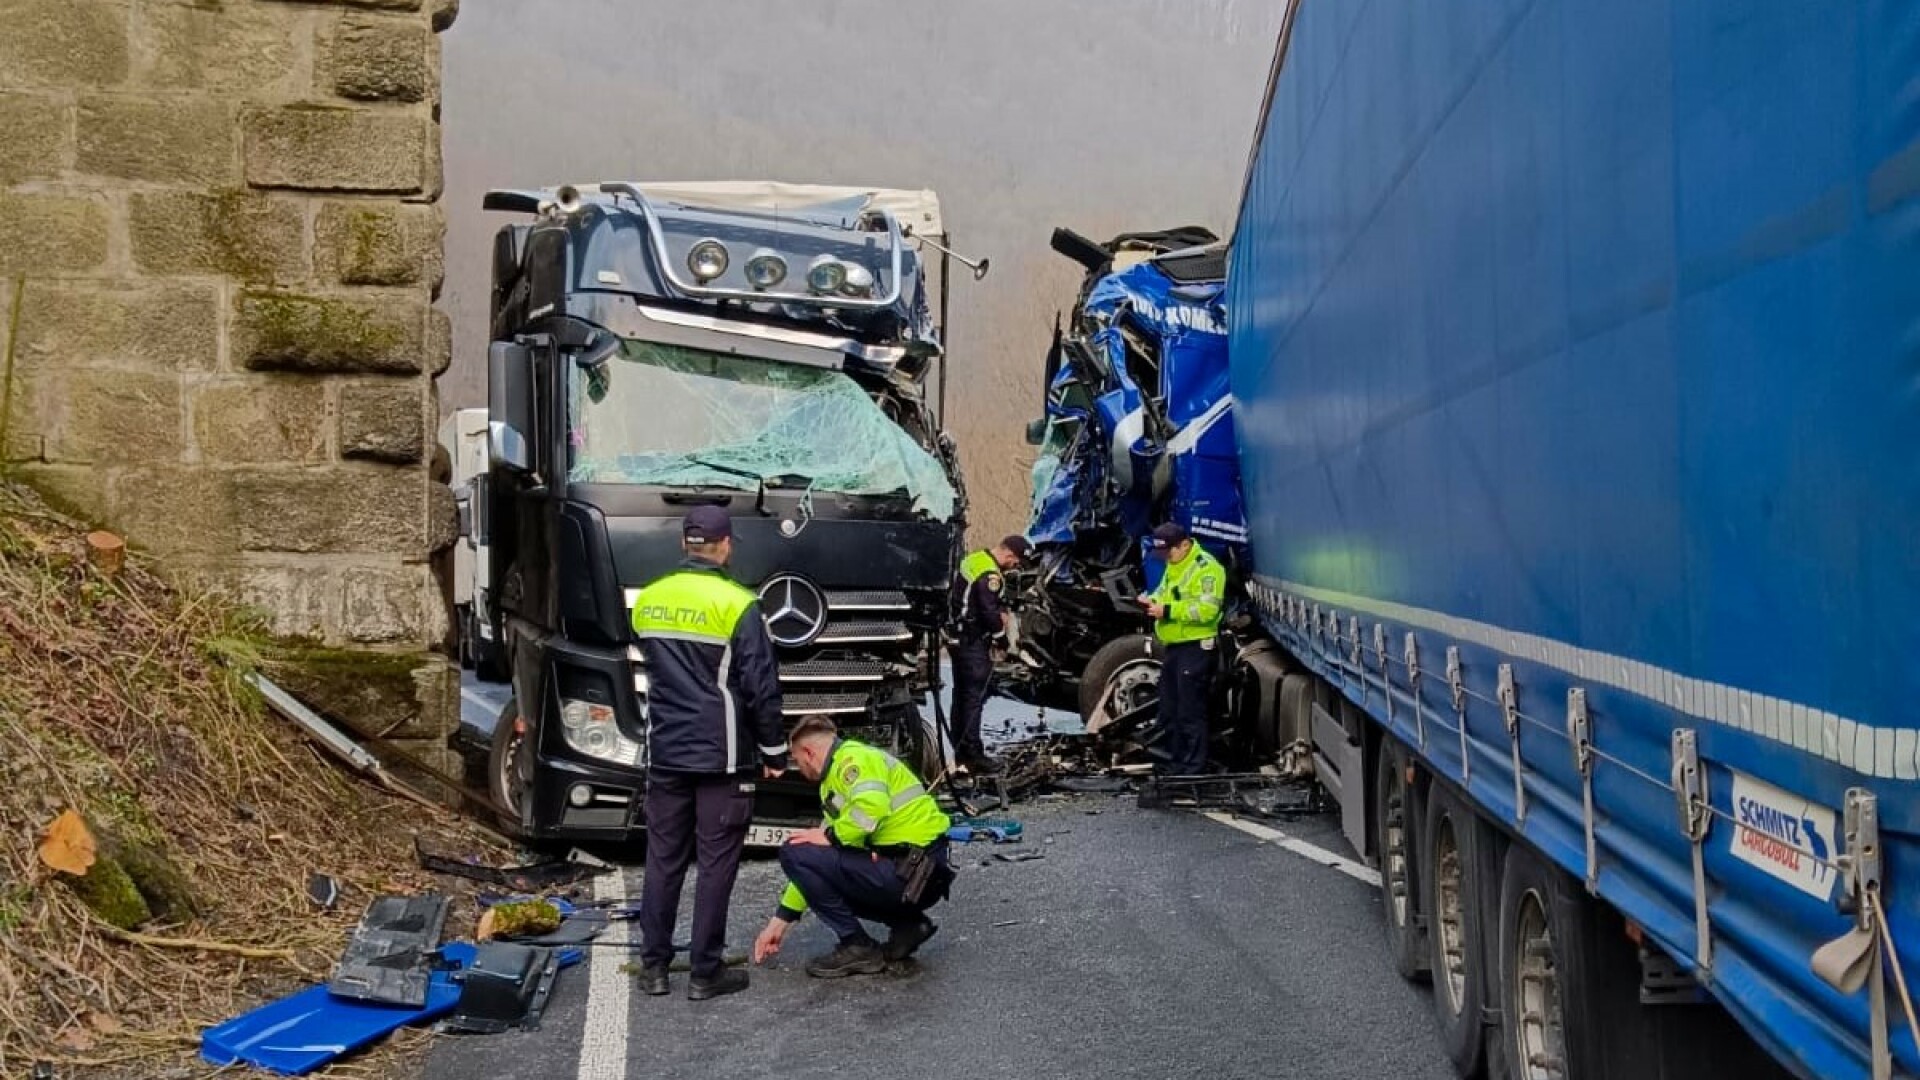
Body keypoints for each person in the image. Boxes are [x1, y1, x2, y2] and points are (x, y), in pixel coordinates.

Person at [630, 506, 788, 1001]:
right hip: (722, 755)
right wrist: (774, 750)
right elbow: (760, 685)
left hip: (666, 750)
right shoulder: (739, 604)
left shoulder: (648, 601)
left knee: (663, 859)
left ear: (685, 544)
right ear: (723, 546)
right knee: (717, 862)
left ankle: (653, 966)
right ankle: (705, 971)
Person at [750, 715, 955, 978]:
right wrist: (780, 920)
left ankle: (856, 945)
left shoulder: (853, 761)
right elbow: (816, 867)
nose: (800, 769)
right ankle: (908, 926)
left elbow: (871, 808)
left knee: (793, 850)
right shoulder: (837, 780)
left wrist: (832, 837)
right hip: (920, 874)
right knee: (812, 861)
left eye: (798, 761)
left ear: (808, 752)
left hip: (912, 871)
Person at [1137, 523, 1226, 776]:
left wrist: (1167, 611)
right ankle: (1173, 764)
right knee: (1169, 709)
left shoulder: (1207, 569)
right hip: (1176, 647)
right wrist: (1151, 601)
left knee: (1190, 711)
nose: (1166, 558)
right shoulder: (1174, 566)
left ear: (1185, 545)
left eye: (1169, 552)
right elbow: (1165, 594)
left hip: (1196, 648)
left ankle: (1192, 769)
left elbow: (1208, 610)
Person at [947, 535, 1031, 772]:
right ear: (1009, 554)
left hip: (958, 637)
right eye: (1015, 563)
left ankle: (960, 748)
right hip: (973, 640)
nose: (1015, 567)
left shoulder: (975, 559)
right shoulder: (990, 575)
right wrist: (1001, 639)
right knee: (974, 697)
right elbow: (988, 610)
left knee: (961, 695)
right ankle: (974, 754)